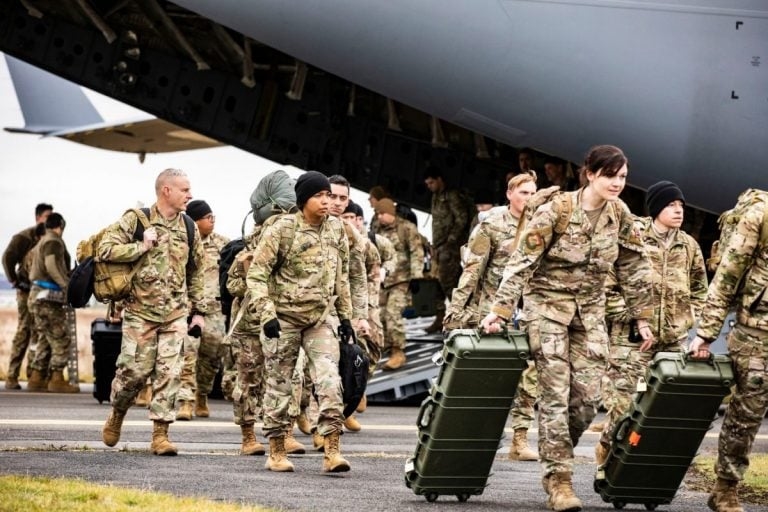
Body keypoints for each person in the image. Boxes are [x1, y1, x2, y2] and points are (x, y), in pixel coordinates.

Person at [480, 145, 654, 511]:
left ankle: (555, 453)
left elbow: (633, 266)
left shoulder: (619, 215)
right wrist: (500, 310)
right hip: (547, 311)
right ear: (590, 174)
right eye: (610, 176)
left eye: (623, 177)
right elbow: (522, 261)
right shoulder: (557, 211)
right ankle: (559, 481)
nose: (617, 183)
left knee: (586, 403)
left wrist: (642, 316)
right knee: (555, 397)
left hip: (590, 315)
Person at [246, 171, 353, 473]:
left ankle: (332, 451)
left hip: (320, 319)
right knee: (279, 387)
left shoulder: (336, 229)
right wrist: (267, 314)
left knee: (329, 380)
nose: (327, 201)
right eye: (319, 195)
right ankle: (277, 451)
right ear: (303, 199)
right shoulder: (282, 229)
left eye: (329, 195)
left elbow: (341, 275)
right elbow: (257, 275)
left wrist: (346, 317)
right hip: (284, 321)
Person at [596, 181, 708, 465]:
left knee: (662, 409)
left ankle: (639, 467)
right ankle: (607, 449)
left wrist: (687, 318)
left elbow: (699, 289)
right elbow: (606, 287)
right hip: (632, 343)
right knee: (625, 407)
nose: (678, 211)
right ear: (656, 208)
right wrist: (635, 317)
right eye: (671, 205)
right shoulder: (632, 237)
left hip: (672, 343)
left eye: (681, 205)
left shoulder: (689, 246)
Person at [100, 168, 207, 456]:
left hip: (174, 314)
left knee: (169, 374)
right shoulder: (136, 220)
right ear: (166, 191)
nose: (190, 195)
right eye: (185, 190)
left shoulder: (189, 227)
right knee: (133, 373)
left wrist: (199, 311)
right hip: (139, 312)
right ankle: (117, 413)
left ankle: (161, 434)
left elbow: (197, 270)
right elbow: (105, 250)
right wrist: (140, 246)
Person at [689, 191, 768, 512]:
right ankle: (726, 488)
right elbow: (727, 276)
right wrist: (706, 333)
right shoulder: (760, 217)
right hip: (756, 332)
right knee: (746, 415)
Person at [225, 169, 300, 457]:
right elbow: (232, 285)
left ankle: (284, 433)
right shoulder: (251, 242)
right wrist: (249, 276)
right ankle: (248, 435)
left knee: (285, 379)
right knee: (249, 379)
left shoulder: (295, 236)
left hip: (281, 319)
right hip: (250, 323)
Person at [176, 200, 230, 420]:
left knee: (212, 356)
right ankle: (185, 401)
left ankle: (202, 394)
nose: (212, 221)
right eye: (208, 218)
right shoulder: (182, 243)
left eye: (212, 217)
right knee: (187, 354)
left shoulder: (222, 244)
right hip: (188, 309)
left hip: (214, 311)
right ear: (195, 222)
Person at [3, 203, 53, 390]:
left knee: (39, 332)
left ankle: (34, 375)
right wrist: (14, 281)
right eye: (47, 216)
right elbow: (7, 257)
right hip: (26, 290)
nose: (49, 220)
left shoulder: (48, 237)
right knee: (24, 330)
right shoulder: (24, 237)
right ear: (38, 218)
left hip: (42, 291)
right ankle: (12, 375)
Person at [26, 213, 77, 393]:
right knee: (61, 337)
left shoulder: (42, 241)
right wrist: (66, 286)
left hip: (37, 296)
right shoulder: (53, 242)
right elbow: (51, 266)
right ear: (61, 225)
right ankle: (56, 379)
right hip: (47, 299)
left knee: (47, 338)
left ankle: (37, 377)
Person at [374, 198, 424, 370]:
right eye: (377, 213)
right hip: (383, 279)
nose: (379, 217)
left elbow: (416, 252)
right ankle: (387, 346)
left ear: (391, 213)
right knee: (379, 314)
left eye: (382, 213)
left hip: (402, 279)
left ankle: (398, 351)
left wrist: (416, 277)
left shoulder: (406, 228)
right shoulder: (377, 229)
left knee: (393, 313)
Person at [424, 166, 470, 333]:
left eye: (431, 182)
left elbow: (462, 218)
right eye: (427, 184)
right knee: (437, 283)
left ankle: (460, 318)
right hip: (438, 247)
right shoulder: (435, 197)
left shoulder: (452, 196)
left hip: (450, 248)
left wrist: (450, 241)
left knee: (449, 283)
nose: (429, 186)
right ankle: (440, 318)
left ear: (439, 180)